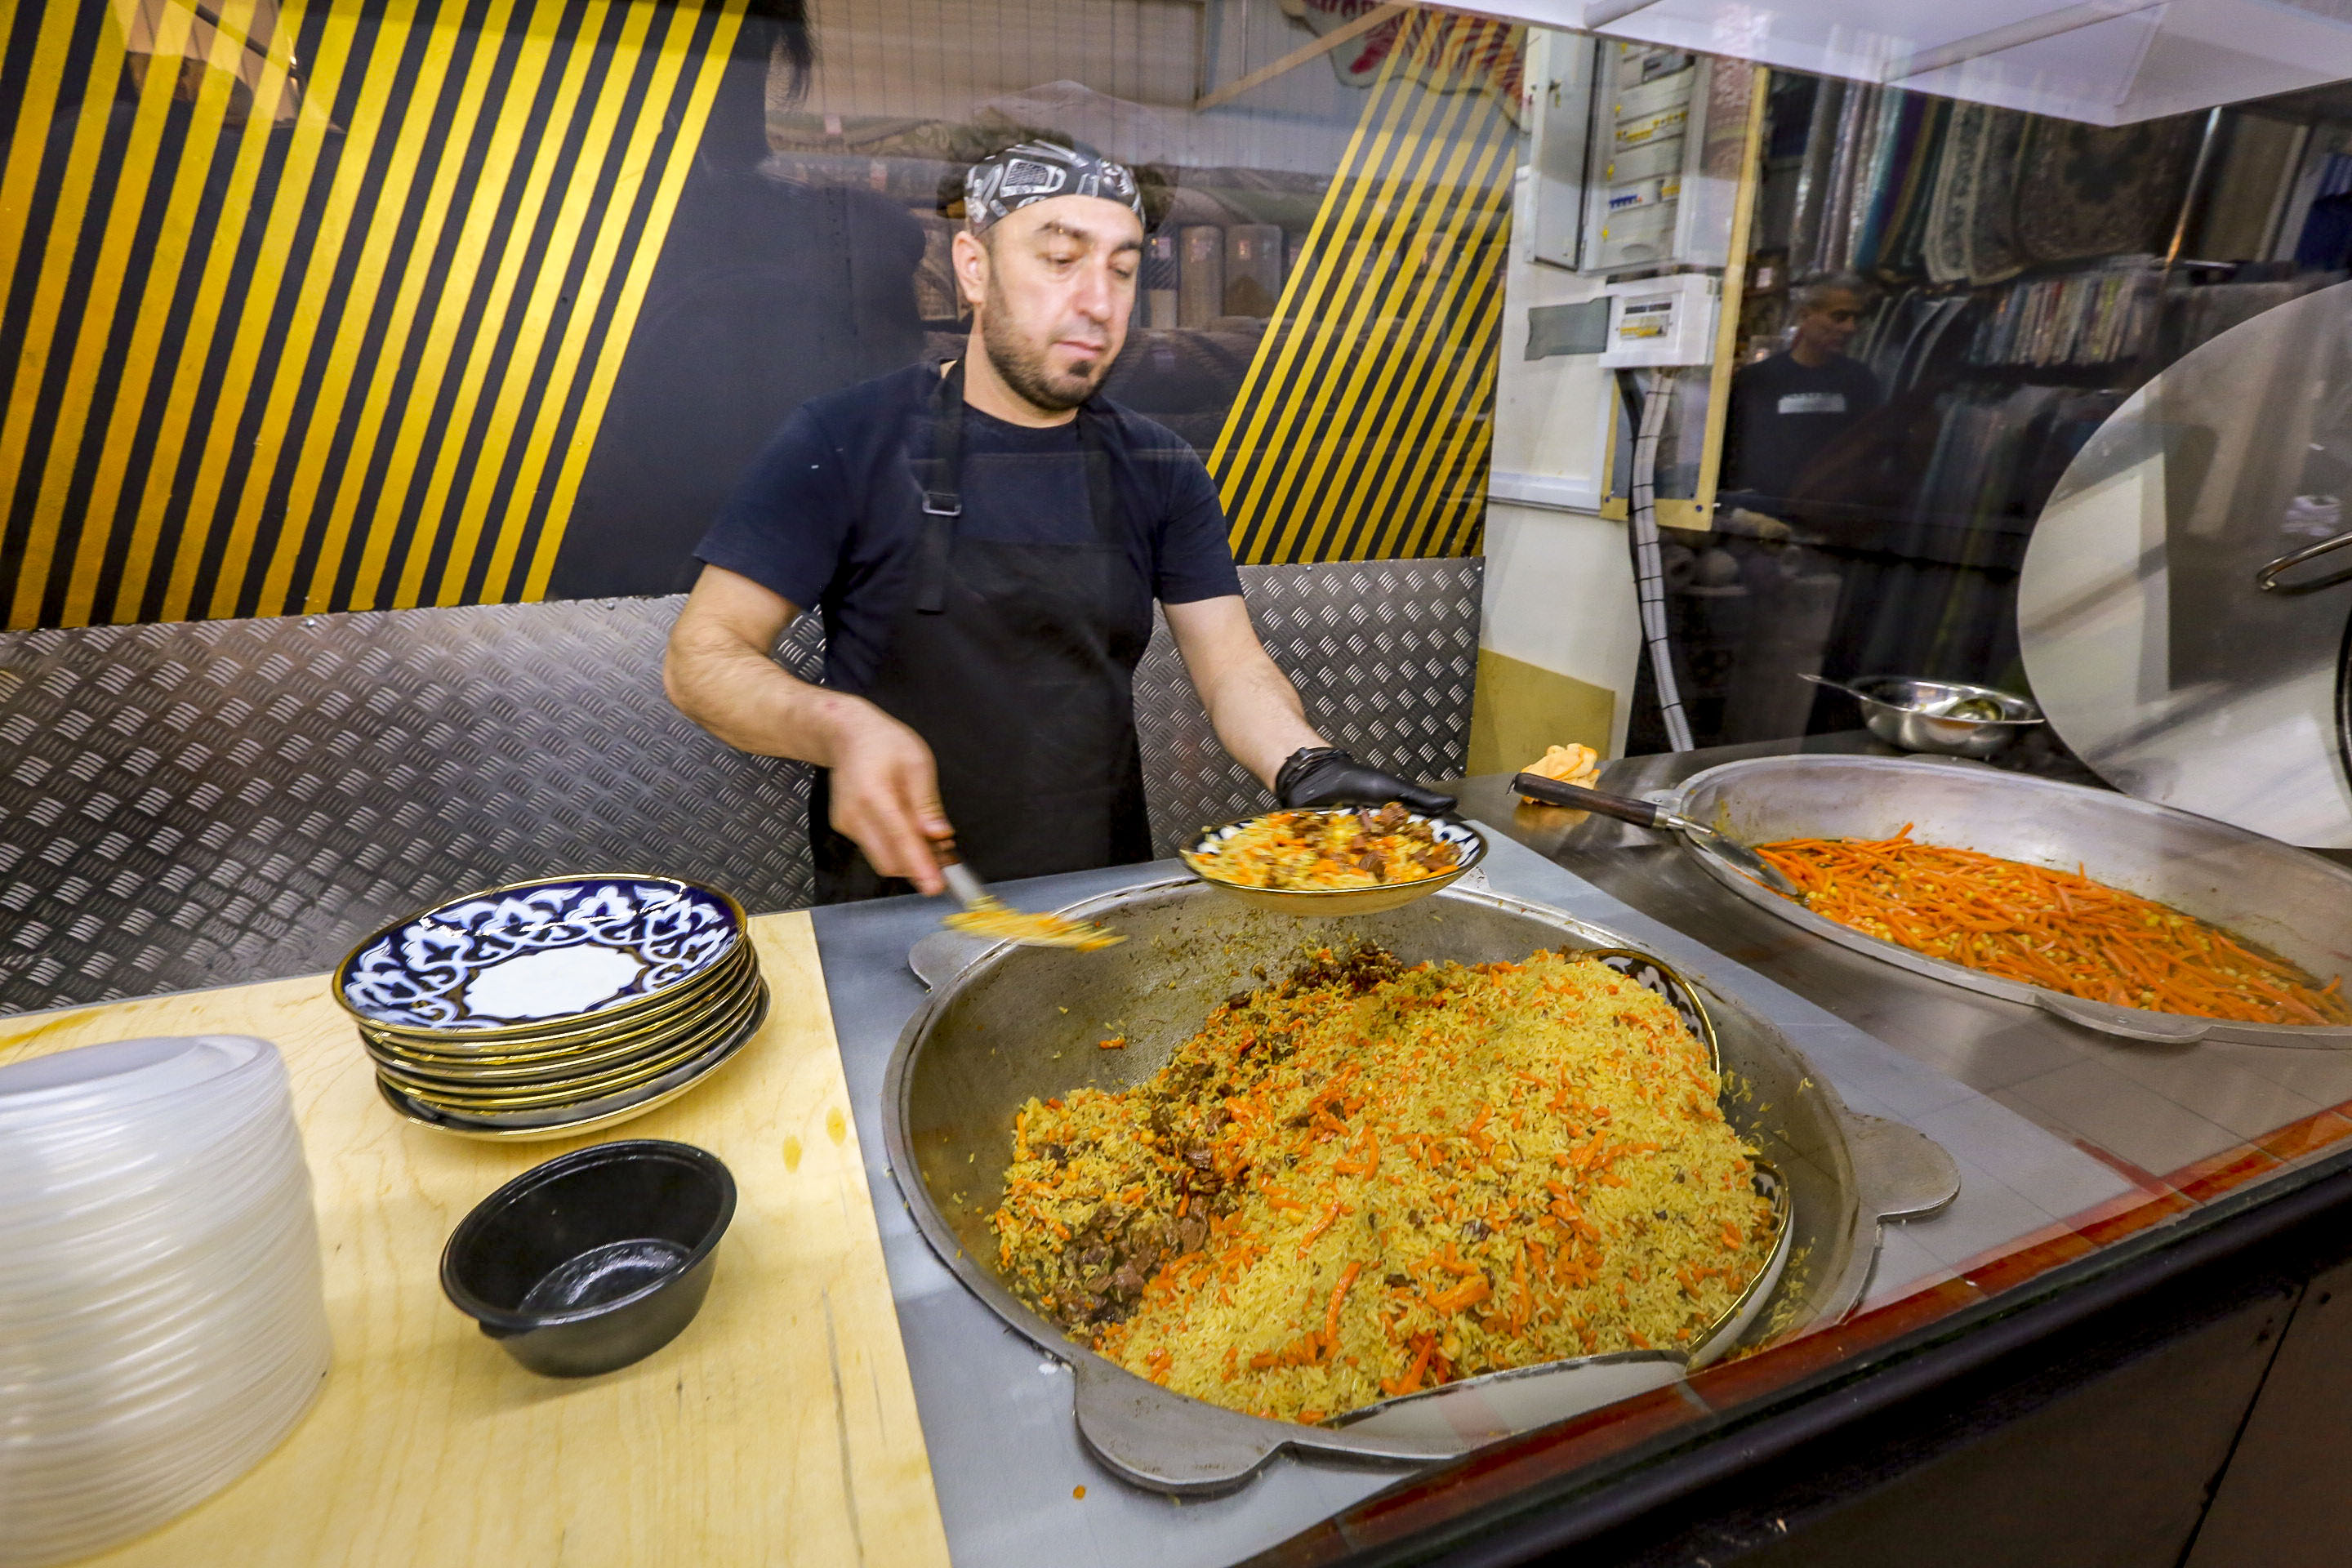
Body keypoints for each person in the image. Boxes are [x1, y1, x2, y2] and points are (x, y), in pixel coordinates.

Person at [664, 139, 1450, 902]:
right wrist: (840, 729)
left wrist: (1306, 763)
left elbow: (1231, 668)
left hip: (1095, 894)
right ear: (974, 267)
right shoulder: (845, 439)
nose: (1098, 303)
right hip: (892, 905)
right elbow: (703, 658)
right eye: (1060, 258)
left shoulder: (1159, 466)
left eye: (1122, 269)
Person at [1720, 271, 1882, 521]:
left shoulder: (1861, 381)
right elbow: (1733, 451)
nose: (1850, 328)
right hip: (1765, 516)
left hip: (1831, 518)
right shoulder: (1758, 379)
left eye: (1856, 318)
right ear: (1805, 316)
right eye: (1839, 317)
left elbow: (1868, 455)